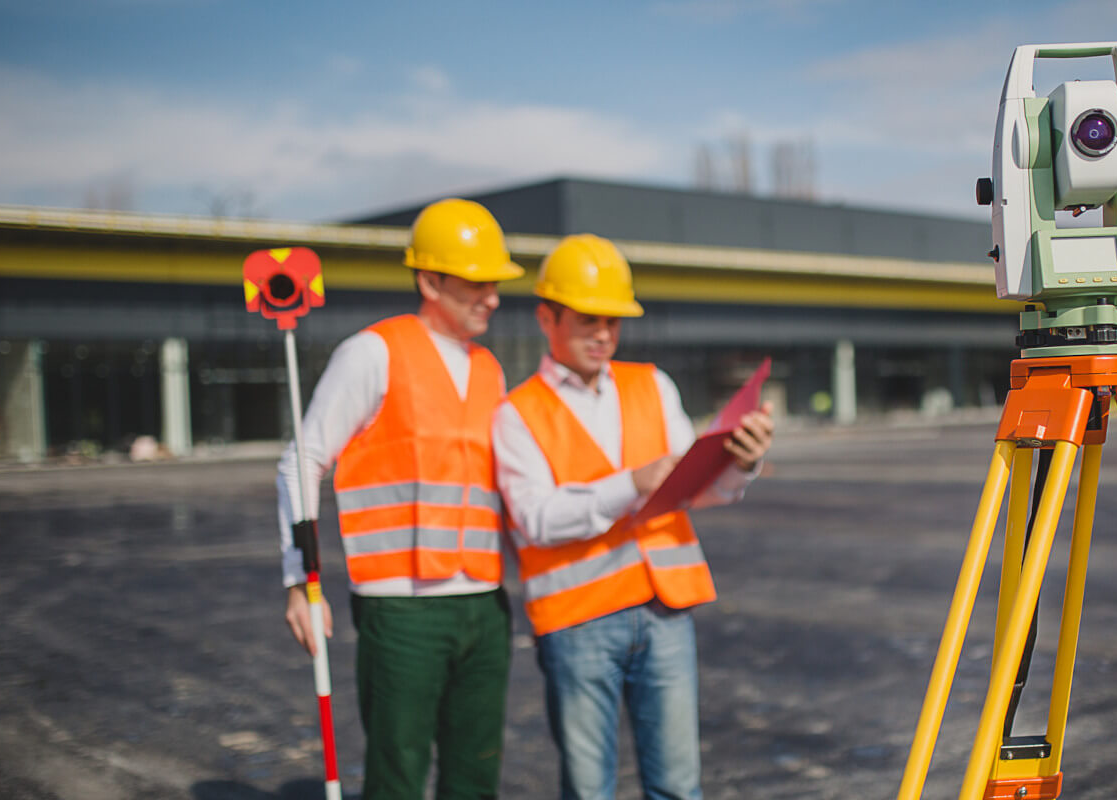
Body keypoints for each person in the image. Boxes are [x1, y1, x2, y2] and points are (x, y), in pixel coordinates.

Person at [492, 234, 776, 800]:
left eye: (613, 321)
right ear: (546, 318)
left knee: (678, 788)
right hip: (578, 623)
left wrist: (741, 463)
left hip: (663, 610)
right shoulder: (516, 413)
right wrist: (632, 483)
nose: (603, 334)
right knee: (589, 790)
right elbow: (534, 518)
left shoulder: (652, 384)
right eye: (588, 320)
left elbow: (690, 489)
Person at [275, 198, 524, 800]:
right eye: (477, 284)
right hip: (402, 610)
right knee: (398, 778)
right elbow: (302, 460)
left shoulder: (490, 369)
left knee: (476, 777)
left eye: (495, 284)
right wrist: (299, 581)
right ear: (429, 281)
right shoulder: (373, 353)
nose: (492, 298)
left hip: (484, 605)